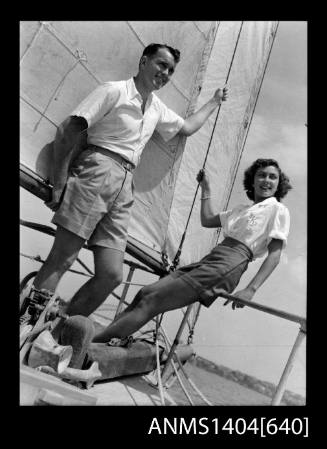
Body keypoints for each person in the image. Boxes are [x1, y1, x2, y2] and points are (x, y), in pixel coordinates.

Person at [25, 43, 228, 321]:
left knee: (111, 275)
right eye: (161, 64)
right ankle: (27, 324)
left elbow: (187, 128)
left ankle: (56, 327)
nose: (165, 73)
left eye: (170, 70)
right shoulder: (114, 91)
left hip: (125, 185)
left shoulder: (156, 107)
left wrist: (214, 102)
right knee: (63, 257)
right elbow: (69, 128)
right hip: (97, 169)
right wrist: (59, 182)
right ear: (144, 62)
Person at [92, 158, 292, 343]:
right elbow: (207, 219)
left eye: (272, 177)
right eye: (262, 175)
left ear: (278, 184)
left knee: (152, 302)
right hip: (213, 258)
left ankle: (94, 343)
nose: (267, 180)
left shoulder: (277, 210)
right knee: (145, 292)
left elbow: (274, 254)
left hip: (229, 265)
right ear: (253, 181)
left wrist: (251, 289)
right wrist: (206, 188)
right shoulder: (241, 210)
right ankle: (102, 338)